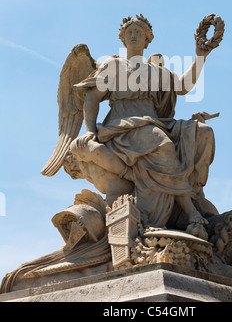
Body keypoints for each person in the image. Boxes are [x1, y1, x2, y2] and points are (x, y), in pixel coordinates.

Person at [70, 15, 216, 239]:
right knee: (161, 141)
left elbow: (184, 86)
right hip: (122, 127)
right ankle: (188, 209)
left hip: (153, 123)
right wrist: (90, 131)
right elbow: (91, 99)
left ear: (148, 40)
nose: (133, 35)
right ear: (123, 39)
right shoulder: (113, 65)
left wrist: (200, 56)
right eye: (129, 32)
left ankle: (195, 194)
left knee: (203, 133)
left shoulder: (154, 71)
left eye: (139, 32)